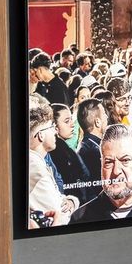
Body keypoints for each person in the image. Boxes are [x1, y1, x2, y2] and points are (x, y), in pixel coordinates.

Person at [28, 95, 77, 227]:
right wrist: (73, 204)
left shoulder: (38, 161)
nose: (55, 131)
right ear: (41, 135)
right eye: (51, 127)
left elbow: (59, 200)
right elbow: (60, 215)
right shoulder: (35, 166)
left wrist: (71, 201)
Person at [48, 103, 94, 201]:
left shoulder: (64, 148)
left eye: (71, 119)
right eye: (67, 121)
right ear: (55, 127)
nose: (72, 124)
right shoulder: (56, 152)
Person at [75, 97, 108, 182]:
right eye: (104, 114)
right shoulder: (95, 153)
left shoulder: (85, 146)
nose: (107, 117)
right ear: (97, 122)